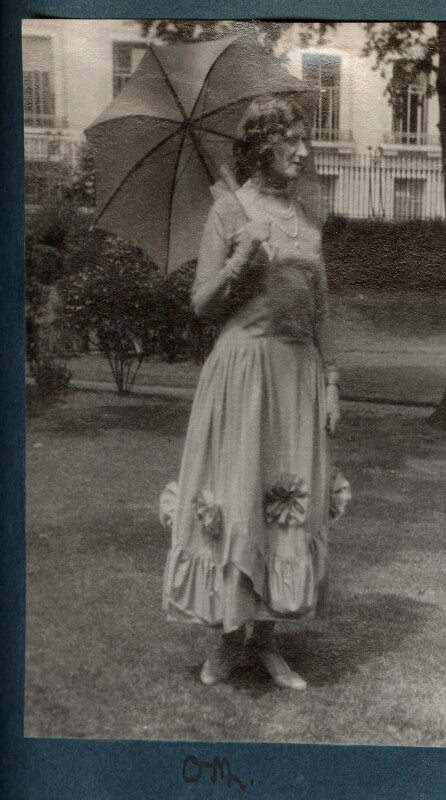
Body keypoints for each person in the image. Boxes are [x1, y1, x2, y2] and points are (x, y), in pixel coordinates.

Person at [161, 96, 342, 690]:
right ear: (264, 144)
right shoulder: (228, 212)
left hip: (296, 378)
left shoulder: (309, 224)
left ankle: (267, 642)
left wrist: (332, 381)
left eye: (304, 141)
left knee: (283, 503)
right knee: (236, 498)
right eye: (293, 141)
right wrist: (240, 257)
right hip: (241, 375)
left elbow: (320, 313)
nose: (304, 152)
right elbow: (200, 304)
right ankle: (225, 642)